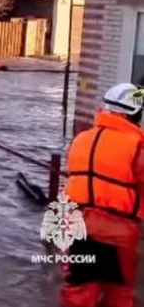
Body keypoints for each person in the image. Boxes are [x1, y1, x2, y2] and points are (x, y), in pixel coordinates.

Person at [60, 83, 144, 307]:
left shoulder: (80, 139)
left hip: (77, 226)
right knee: (118, 295)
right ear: (135, 112)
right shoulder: (137, 147)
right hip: (119, 233)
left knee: (79, 293)